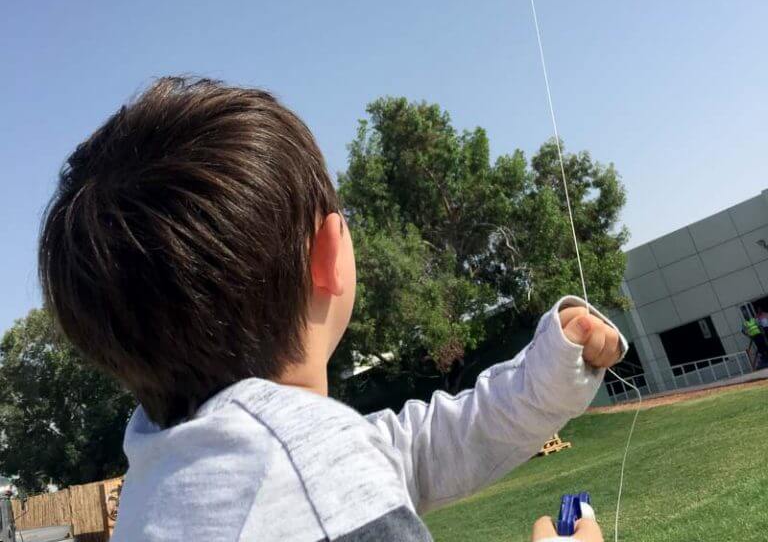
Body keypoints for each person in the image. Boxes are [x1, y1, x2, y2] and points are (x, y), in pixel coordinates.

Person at [38, 77, 625, 542]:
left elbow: (418, 451)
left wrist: (549, 376)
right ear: (330, 255)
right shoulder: (307, 484)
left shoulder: (176, 475)